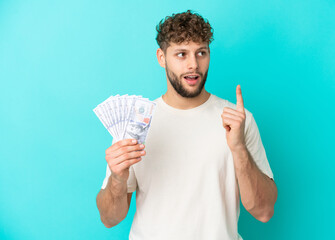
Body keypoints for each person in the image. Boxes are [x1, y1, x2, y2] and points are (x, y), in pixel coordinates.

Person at [96, 10, 278, 240]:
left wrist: (239, 149)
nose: (194, 64)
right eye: (181, 54)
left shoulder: (238, 120)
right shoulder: (135, 123)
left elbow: (264, 212)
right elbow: (109, 219)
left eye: (201, 53)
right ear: (161, 58)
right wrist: (117, 178)